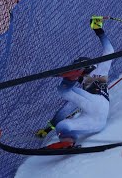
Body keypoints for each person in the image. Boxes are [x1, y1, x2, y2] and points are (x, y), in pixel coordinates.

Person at [40, 16, 115, 149]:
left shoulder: (98, 73)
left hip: (97, 104)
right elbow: (66, 110)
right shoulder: (85, 88)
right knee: (62, 126)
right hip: (97, 122)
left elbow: (109, 51)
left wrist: (98, 29)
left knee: (63, 90)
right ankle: (68, 142)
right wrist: (49, 129)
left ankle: (72, 75)